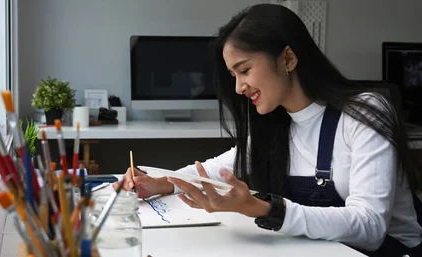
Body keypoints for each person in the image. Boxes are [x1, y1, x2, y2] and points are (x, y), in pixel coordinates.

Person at [113, 4, 422, 257]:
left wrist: (264, 209)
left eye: (244, 70)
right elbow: (214, 170)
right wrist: (160, 183)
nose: (238, 87)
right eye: (233, 75)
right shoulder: (276, 124)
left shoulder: (363, 112)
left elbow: (369, 228)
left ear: (287, 58)